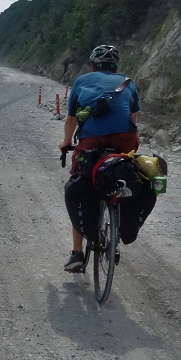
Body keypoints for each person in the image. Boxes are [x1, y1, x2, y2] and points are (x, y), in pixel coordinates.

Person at [58, 44, 140, 272]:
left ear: (92, 65)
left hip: (92, 139)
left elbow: (71, 119)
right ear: (115, 67)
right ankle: (117, 212)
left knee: (80, 181)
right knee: (123, 169)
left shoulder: (82, 81)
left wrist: (65, 142)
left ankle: (77, 253)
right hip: (125, 138)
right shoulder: (128, 83)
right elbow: (133, 120)